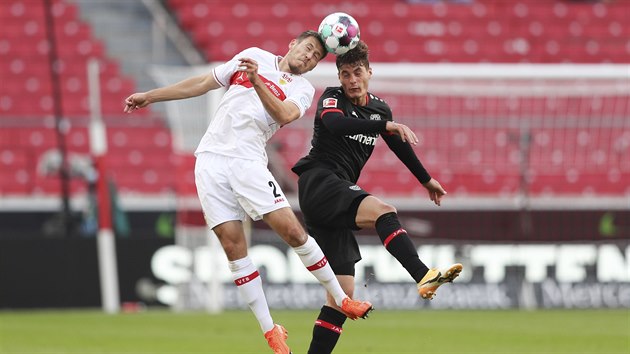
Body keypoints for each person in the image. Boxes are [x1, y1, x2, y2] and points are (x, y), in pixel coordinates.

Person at [124, 30, 373, 354]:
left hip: (248, 162)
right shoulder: (253, 54)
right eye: (307, 49)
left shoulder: (302, 89)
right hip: (210, 162)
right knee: (233, 246)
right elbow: (203, 83)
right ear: (292, 44)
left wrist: (257, 82)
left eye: (314, 57)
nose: (308, 57)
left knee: (292, 231)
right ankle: (271, 331)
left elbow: (283, 115)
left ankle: (343, 300)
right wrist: (151, 96)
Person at [291, 41, 463, 354]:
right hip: (319, 180)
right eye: (345, 74)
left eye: (357, 72)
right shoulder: (333, 97)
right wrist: (384, 124)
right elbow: (334, 123)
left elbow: (397, 143)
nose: (351, 80)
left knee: (341, 296)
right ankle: (423, 275)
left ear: (370, 72)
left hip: (333, 196)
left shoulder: (379, 108)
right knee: (384, 210)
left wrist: (426, 179)